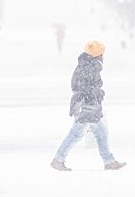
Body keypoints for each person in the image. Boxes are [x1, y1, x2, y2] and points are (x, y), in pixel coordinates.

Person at [50, 41, 127, 171]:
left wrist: (96, 95)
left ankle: (109, 161)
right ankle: (58, 160)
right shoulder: (88, 67)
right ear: (97, 54)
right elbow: (83, 87)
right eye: (102, 53)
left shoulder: (87, 65)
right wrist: (95, 95)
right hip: (86, 107)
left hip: (89, 106)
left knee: (101, 133)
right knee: (75, 134)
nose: (103, 56)